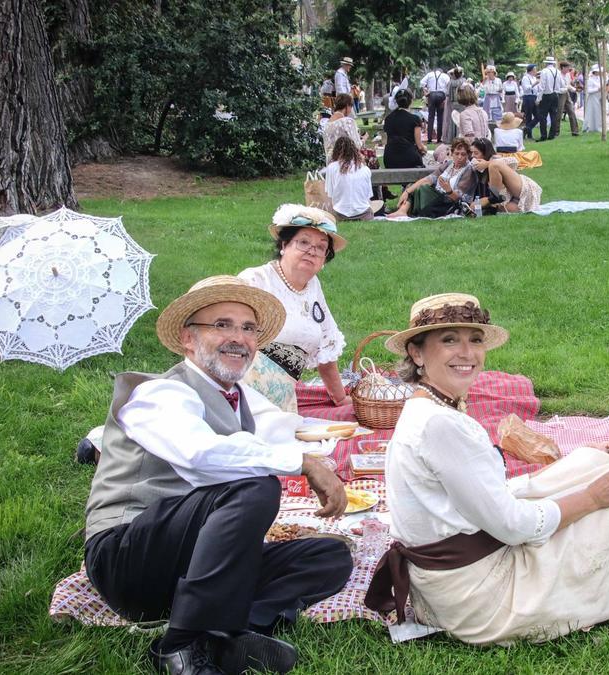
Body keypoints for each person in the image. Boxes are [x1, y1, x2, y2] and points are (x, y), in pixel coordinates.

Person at [363, 292, 609, 645]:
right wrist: (588, 497)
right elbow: (513, 526)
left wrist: (573, 473)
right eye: (449, 340)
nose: (467, 352)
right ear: (417, 353)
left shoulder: (431, 406)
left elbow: (476, 495)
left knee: (594, 461)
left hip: (456, 575)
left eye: (474, 339)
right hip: (482, 599)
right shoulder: (438, 424)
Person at [83, 274, 353, 674]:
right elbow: (198, 451)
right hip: (127, 560)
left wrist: (309, 455)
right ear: (188, 339)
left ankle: (225, 634)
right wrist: (303, 462)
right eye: (222, 325)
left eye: (248, 329)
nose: (238, 338)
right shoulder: (159, 393)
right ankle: (179, 646)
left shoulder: (236, 395)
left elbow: (271, 427)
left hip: (186, 567)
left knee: (328, 556)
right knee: (255, 489)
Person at [239, 205, 352, 413]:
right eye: (304, 242)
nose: (312, 250)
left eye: (320, 247)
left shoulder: (312, 285)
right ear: (284, 244)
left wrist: (341, 399)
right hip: (242, 398)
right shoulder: (255, 280)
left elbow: (325, 347)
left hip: (283, 404)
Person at [389, 137, 478, 218]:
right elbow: (428, 179)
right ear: (452, 153)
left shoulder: (469, 170)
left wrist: (449, 190)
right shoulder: (449, 164)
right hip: (436, 196)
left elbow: (459, 199)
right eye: (457, 153)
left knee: (423, 188)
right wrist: (407, 192)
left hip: (448, 203)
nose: (459, 157)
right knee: (414, 185)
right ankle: (402, 211)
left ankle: (417, 210)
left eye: (463, 154)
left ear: (468, 155)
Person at [467, 138, 543, 213]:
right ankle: (494, 201)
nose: (473, 156)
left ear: (485, 153)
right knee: (496, 209)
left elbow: (514, 161)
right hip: (510, 198)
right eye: (472, 153)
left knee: (494, 165)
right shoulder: (476, 168)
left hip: (524, 188)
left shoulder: (495, 160)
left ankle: (494, 198)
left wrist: (487, 163)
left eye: (476, 153)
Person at [322, 137, 376, 221]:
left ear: (336, 151)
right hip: (363, 214)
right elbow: (367, 196)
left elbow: (330, 194)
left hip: (340, 213)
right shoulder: (365, 169)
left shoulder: (332, 168)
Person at [382, 89, 427, 169]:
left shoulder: (388, 118)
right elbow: (419, 145)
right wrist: (425, 149)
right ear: (411, 101)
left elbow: (385, 141)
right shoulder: (415, 119)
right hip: (409, 157)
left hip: (389, 158)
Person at [322, 93, 363, 160]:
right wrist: (364, 139)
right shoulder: (347, 122)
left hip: (331, 163)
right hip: (346, 162)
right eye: (351, 107)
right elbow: (357, 145)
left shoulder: (327, 125)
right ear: (347, 106)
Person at [420, 66, 450, 143]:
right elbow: (448, 86)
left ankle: (429, 138)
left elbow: (422, 83)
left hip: (432, 95)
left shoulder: (429, 74)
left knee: (431, 117)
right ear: (441, 71)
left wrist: (425, 90)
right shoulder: (445, 76)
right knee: (440, 117)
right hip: (441, 95)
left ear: (434, 70)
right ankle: (439, 138)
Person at [536, 57, 562, 141]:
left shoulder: (544, 71)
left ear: (546, 63)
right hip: (555, 95)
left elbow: (542, 86)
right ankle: (552, 135)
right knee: (553, 115)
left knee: (543, 116)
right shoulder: (558, 71)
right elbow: (561, 84)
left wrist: (538, 98)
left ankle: (543, 135)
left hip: (547, 95)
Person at [441, 67, 466, 143]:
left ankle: (451, 138)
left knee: (452, 120)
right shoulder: (463, 81)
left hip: (453, 103)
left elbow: (448, 93)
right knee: (461, 120)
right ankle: (460, 137)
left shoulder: (451, 82)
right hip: (462, 103)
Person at [556, 61, 580, 137]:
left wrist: (574, 89)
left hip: (566, 94)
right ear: (562, 68)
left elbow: (568, 85)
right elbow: (557, 88)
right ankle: (556, 132)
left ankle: (575, 131)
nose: (568, 69)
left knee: (571, 111)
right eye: (567, 68)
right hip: (560, 94)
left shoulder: (567, 75)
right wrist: (566, 89)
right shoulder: (558, 76)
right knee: (559, 113)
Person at [520, 65, 541, 139]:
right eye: (535, 69)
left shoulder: (534, 78)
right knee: (528, 116)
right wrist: (534, 83)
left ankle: (527, 128)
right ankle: (529, 134)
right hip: (528, 97)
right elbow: (526, 89)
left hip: (534, 97)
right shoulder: (525, 78)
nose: (536, 71)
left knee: (538, 115)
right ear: (531, 70)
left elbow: (537, 89)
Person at [582, 64, 603, 133]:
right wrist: (597, 89)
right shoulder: (590, 80)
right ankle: (590, 127)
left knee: (599, 113)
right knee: (592, 112)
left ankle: (598, 126)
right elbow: (589, 90)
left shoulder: (601, 79)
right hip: (593, 98)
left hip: (599, 97)